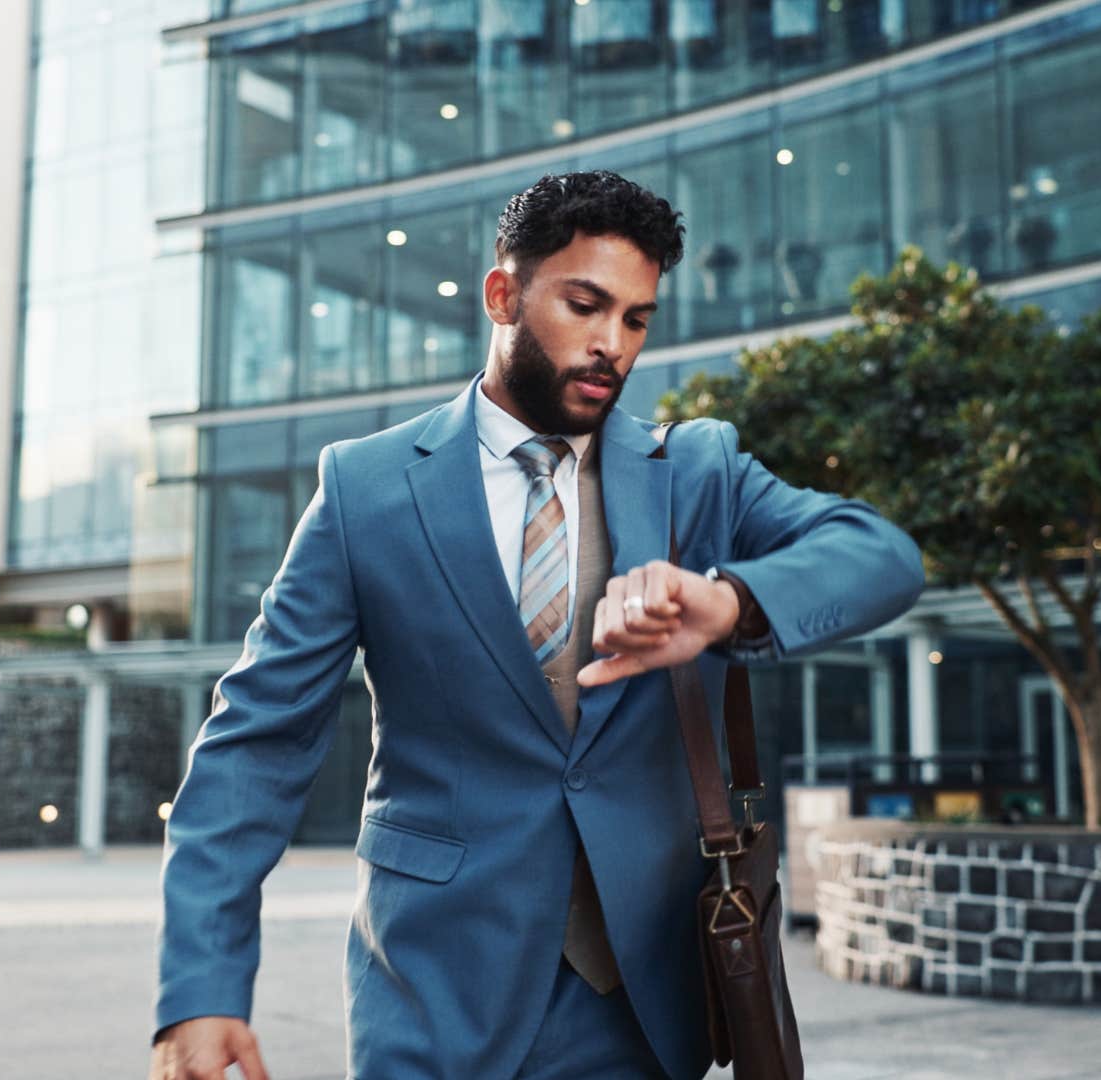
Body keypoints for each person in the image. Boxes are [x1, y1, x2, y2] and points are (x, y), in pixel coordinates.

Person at [149, 170, 924, 1080]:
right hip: (433, 989)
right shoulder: (367, 488)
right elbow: (254, 745)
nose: (611, 346)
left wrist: (729, 603)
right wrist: (202, 988)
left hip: (636, 999)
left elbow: (880, 555)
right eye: (586, 305)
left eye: (636, 319)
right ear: (503, 294)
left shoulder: (699, 468)